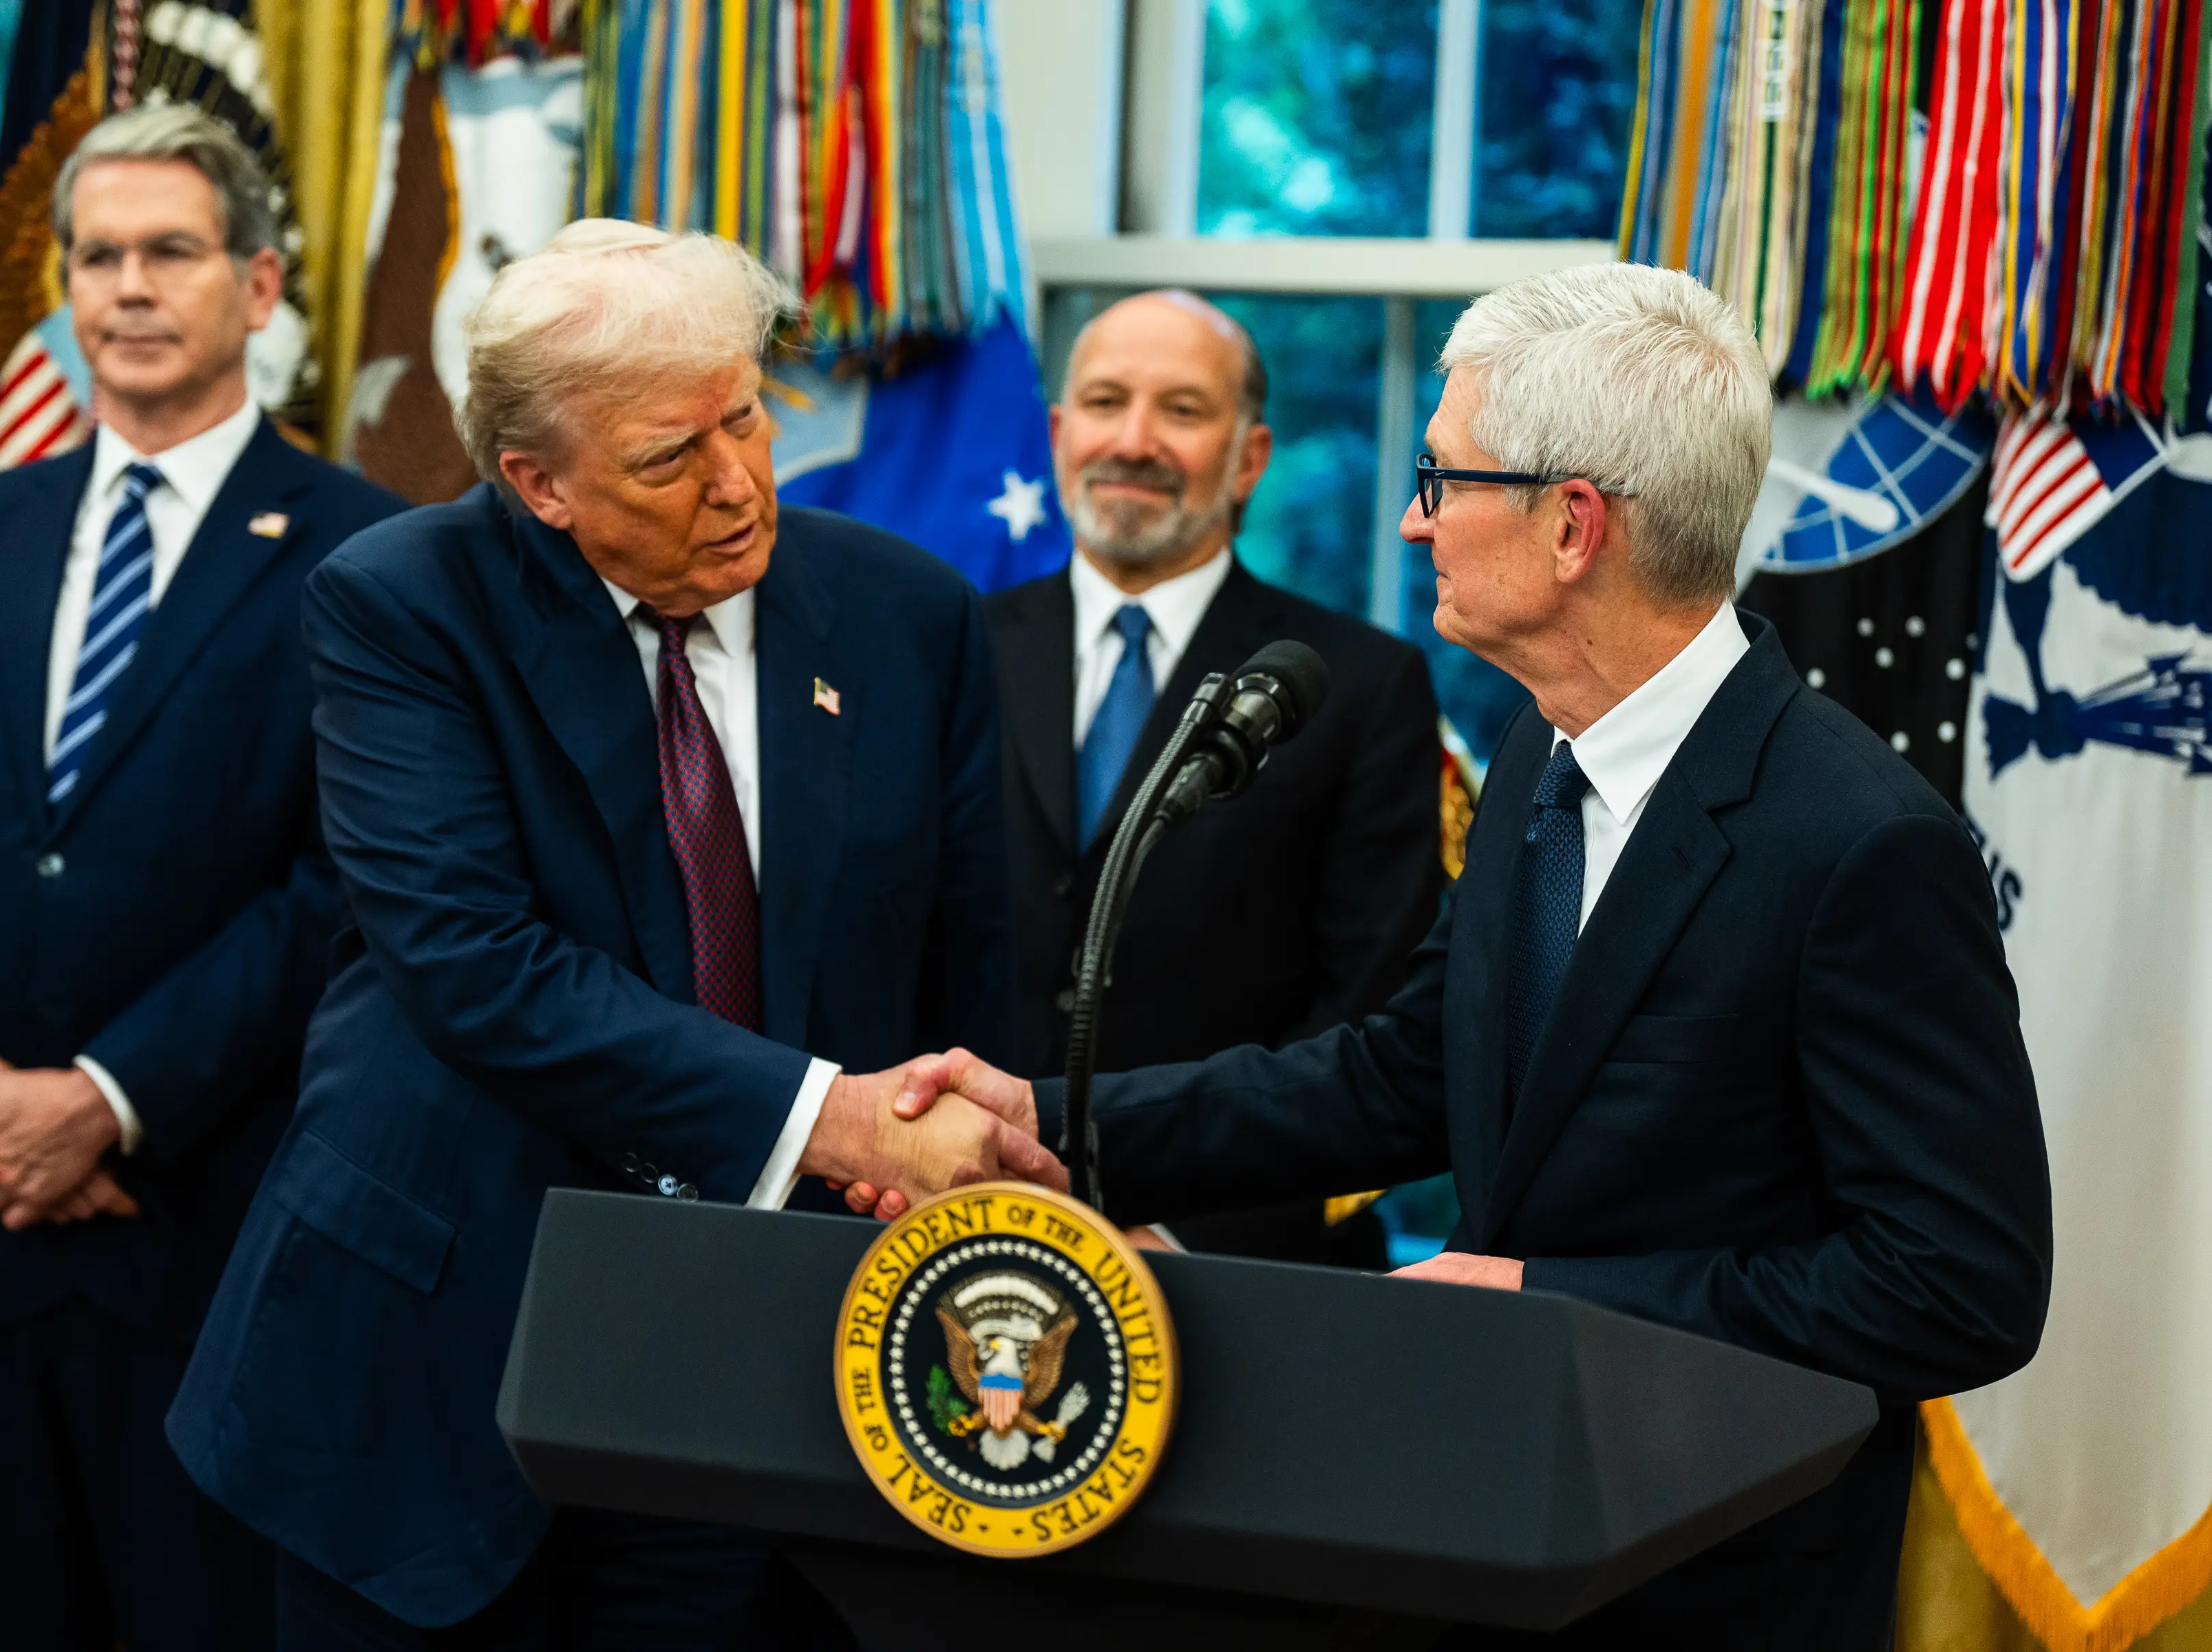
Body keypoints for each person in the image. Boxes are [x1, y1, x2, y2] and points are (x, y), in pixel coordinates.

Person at [862, 264, 2053, 1648]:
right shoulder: (1541, 741)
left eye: (1445, 478)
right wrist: (1053, 1129)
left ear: (1571, 527)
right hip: (1501, 1535)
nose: (1416, 518)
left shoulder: (1860, 844)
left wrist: (1547, 1301)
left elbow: (1954, 1283)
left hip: (1722, 1573)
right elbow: (1404, 1073)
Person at [167, 219, 1063, 1650]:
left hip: (765, 1383)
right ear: (539, 485)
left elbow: (967, 976)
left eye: (748, 418)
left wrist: (971, 1157)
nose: (738, 482)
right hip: (437, 1364)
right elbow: (474, 964)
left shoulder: (910, 617)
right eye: (669, 457)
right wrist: (833, 1121)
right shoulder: (403, 606)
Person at [0, 106, 407, 1651]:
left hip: (201, 1245)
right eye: (98, 257)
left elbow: (342, 892)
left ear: (261, 287)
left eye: (172, 253)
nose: (128, 288)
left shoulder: (370, 558)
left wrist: (103, 1097)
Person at [987, 291, 1442, 1267]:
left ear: (1250, 457)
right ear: (1061, 435)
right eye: (1106, 403)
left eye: (1183, 411)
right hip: (958, 1231)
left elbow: (1373, 1014)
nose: (1136, 441)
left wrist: (1190, 1236)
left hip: (1240, 1263)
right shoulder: (951, 650)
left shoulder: (1361, 685)